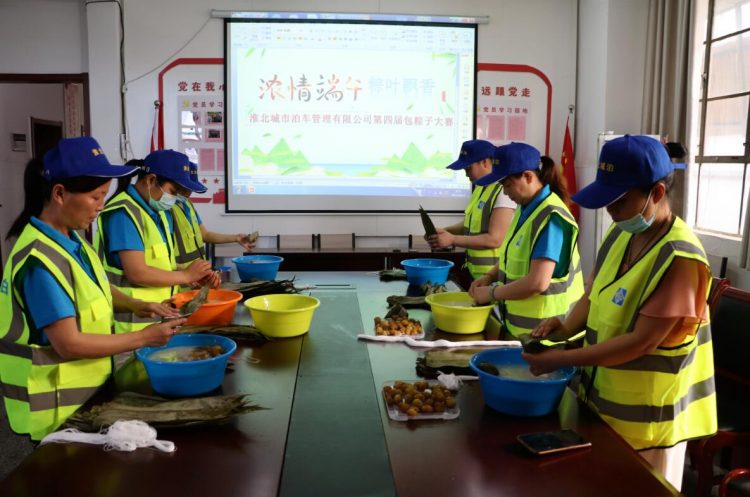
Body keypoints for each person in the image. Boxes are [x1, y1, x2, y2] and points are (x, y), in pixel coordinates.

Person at [523, 135, 717, 490]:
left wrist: (560, 359)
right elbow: (594, 294)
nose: (610, 210)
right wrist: (564, 327)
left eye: (620, 200)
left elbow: (639, 343)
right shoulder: (621, 233)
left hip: (649, 425)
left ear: (656, 193)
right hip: (601, 408)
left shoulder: (681, 258)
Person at [0, 137, 184, 440]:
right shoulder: (38, 262)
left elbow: (96, 288)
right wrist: (143, 337)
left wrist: (137, 305)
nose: (100, 206)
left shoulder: (72, 239)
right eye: (96, 197)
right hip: (59, 409)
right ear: (60, 194)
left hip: (89, 396)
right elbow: (68, 344)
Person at [468, 142, 584, 339]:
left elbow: (537, 282)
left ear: (528, 177)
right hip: (521, 333)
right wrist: (490, 276)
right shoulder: (526, 209)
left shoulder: (551, 217)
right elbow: (512, 258)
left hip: (547, 336)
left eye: (508, 185)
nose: (505, 193)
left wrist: (492, 293)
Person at [95, 149, 214, 334]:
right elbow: (137, 273)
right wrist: (185, 276)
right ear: (151, 180)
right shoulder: (124, 214)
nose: (174, 199)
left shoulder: (160, 213)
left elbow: (161, 263)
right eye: (173, 192)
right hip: (131, 326)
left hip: (160, 319)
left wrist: (191, 274)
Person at [427, 139, 515, 284]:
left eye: (468, 169)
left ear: (485, 162)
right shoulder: (479, 188)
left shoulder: (503, 192)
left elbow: (495, 239)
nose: (466, 174)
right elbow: (470, 224)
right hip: (476, 276)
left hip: (494, 279)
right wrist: (445, 232)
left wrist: (452, 239)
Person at [172, 161, 256, 269]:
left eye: (191, 188)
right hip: (180, 275)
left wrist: (236, 238)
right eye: (185, 187)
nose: (189, 193)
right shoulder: (165, 208)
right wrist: (186, 273)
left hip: (198, 273)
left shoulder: (187, 204)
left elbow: (205, 235)